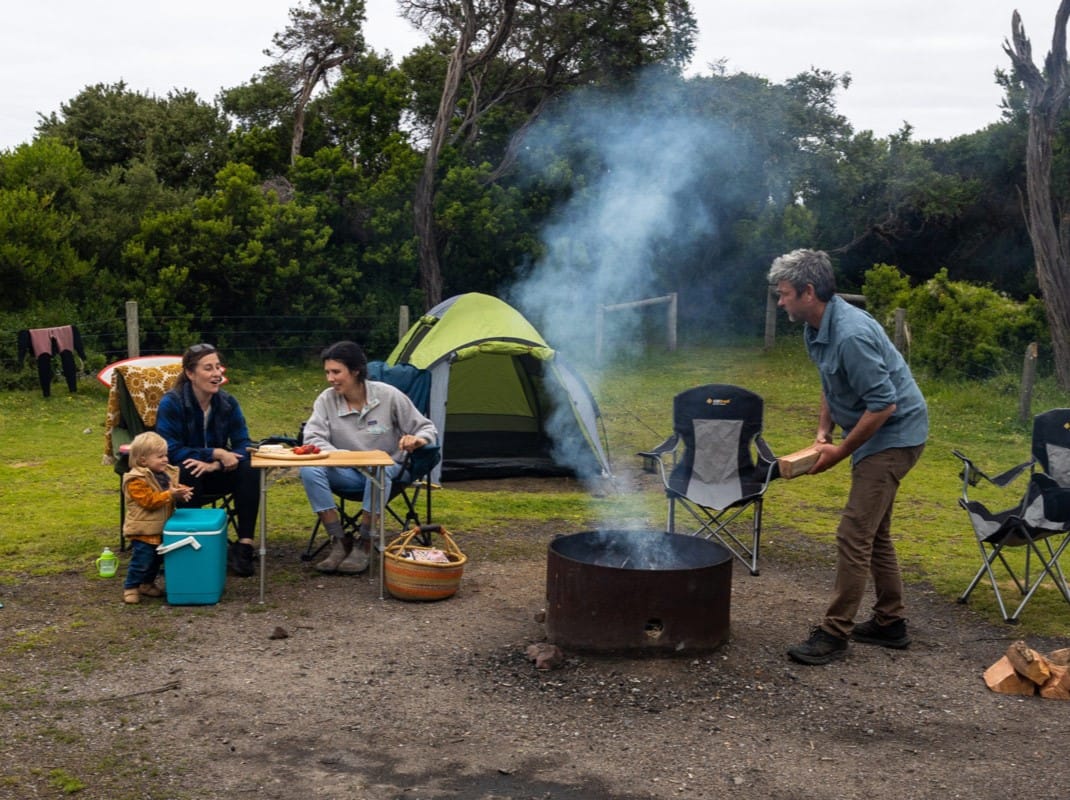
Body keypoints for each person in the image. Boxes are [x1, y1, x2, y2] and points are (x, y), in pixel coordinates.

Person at [767, 249, 928, 666]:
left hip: (895, 435)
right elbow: (830, 382)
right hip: (876, 428)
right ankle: (891, 623)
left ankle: (834, 634)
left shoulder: (851, 334)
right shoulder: (814, 327)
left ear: (808, 291)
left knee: (854, 533)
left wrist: (838, 452)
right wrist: (824, 430)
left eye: (784, 294)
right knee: (874, 533)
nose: (779, 301)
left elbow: (883, 404)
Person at [300, 341, 437, 574]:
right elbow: (312, 439)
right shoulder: (326, 400)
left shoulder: (389, 396)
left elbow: (427, 429)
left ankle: (365, 541)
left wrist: (418, 440)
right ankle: (338, 540)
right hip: (346, 471)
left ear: (355, 371)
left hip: (387, 470)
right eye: (327, 372)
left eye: (336, 372)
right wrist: (349, 457)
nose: (330, 379)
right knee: (309, 469)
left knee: (377, 469)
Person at [155, 343, 260, 577]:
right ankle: (193, 543)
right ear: (190, 374)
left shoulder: (227, 403)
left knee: (250, 465)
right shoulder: (172, 403)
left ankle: (244, 546)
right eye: (208, 368)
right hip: (181, 478)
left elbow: (244, 443)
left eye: (218, 367)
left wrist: (215, 462)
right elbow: (169, 449)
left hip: (218, 472)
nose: (216, 374)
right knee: (188, 468)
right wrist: (213, 452)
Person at [121, 432, 193, 604]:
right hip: (143, 530)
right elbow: (149, 501)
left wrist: (181, 492)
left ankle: (146, 584)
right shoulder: (135, 480)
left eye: (165, 455)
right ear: (143, 460)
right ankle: (131, 587)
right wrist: (170, 494)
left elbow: (172, 488)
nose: (165, 459)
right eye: (160, 456)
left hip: (161, 527)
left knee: (156, 560)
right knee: (142, 561)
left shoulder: (164, 473)